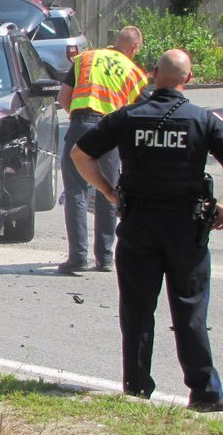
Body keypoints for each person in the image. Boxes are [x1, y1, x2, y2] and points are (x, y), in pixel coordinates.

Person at [70, 49, 223, 409]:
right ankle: (205, 392)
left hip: (138, 225)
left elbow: (80, 154)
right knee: (189, 309)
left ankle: (137, 387)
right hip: (186, 229)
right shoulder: (203, 120)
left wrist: (109, 192)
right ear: (189, 77)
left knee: (137, 310)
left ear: (154, 74)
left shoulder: (127, 117)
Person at [57, 26, 148, 274]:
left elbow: (63, 97)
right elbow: (143, 112)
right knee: (108, 191)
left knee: (76, 192)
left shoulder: (85, 58)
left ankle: (77, 258)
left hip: (80, 124)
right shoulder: (135, 72)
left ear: (115, 42)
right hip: (110, 131)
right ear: (135, 48)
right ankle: (105, 258)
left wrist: (79, 119)